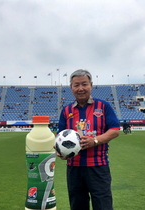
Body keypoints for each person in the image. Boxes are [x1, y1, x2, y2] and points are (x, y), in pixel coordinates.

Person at [57, 69, 120, 210]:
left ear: (91, 85)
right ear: (71, 88)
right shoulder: (66, 110)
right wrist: (59, 150)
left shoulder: (103, 106)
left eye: (84, 84)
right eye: (76, 85)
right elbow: (59, 135)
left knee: (103, 206)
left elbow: (115, 130)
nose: (80, 88)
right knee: (77, 206)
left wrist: (95, 141)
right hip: (74, 168)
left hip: (98, 166)